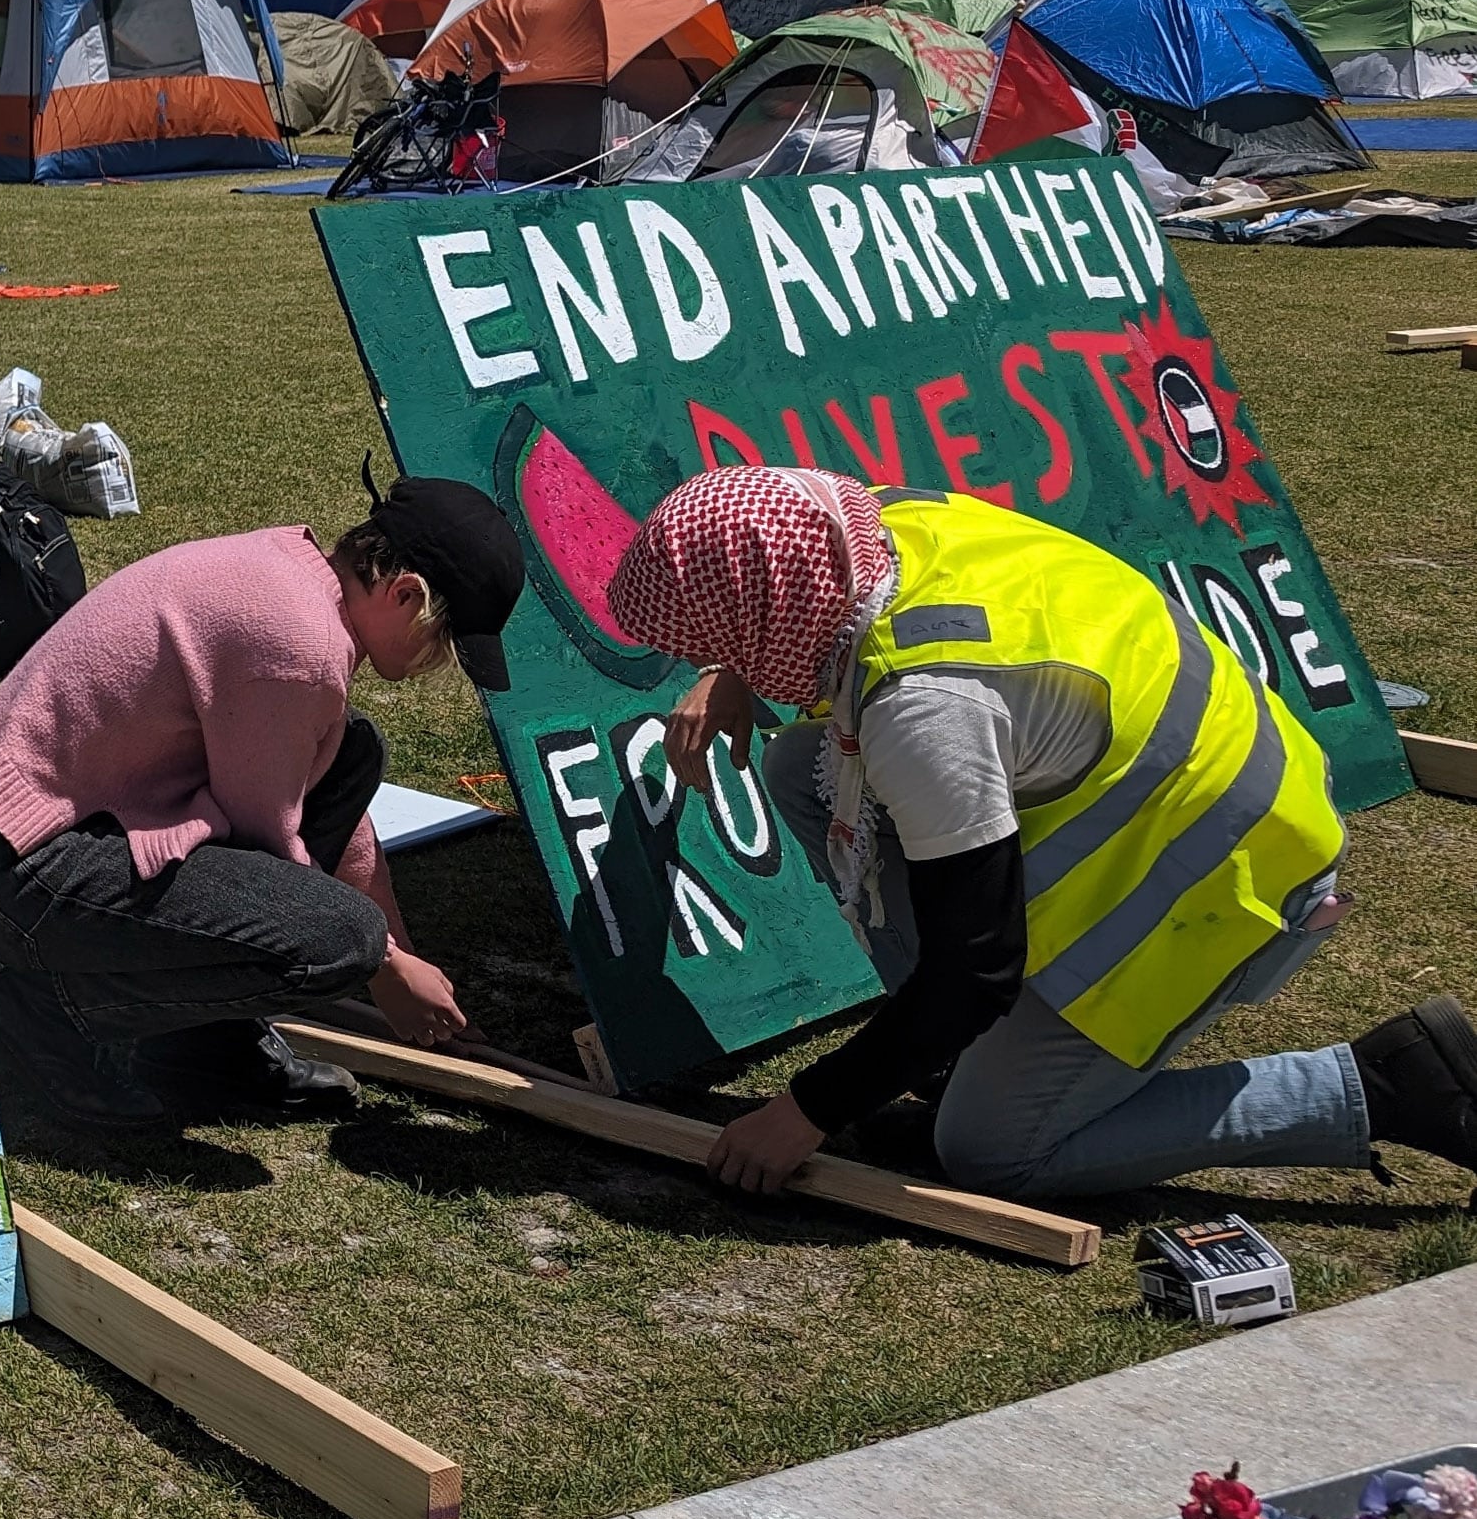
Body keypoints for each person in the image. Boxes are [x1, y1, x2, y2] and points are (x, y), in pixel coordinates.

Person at [617, 467, 1477, 1201]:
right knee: (800, 766)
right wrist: (736, 669)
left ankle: (1388, 1083)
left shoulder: (925, 714)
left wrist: (806, 1110)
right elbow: (806, 603)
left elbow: (977, 969)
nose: (694, 659)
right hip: (1201, 768)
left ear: (766, 607)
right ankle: (956, 1065)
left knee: (991, 1152)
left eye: (712, 639)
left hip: (1224, 867)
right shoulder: (880, 524)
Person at [0, 476, 525, 1128]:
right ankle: (47, 1014)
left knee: (353, 751)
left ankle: (202, 1038)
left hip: (20, 824)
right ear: (405, 593)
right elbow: (265, 838)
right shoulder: (299, 646)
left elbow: (325, 799)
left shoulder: (295, 575)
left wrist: (406, 958)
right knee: (340, 940)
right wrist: (385, 963)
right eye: (443, 641)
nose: (434, 664)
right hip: (9, 859)